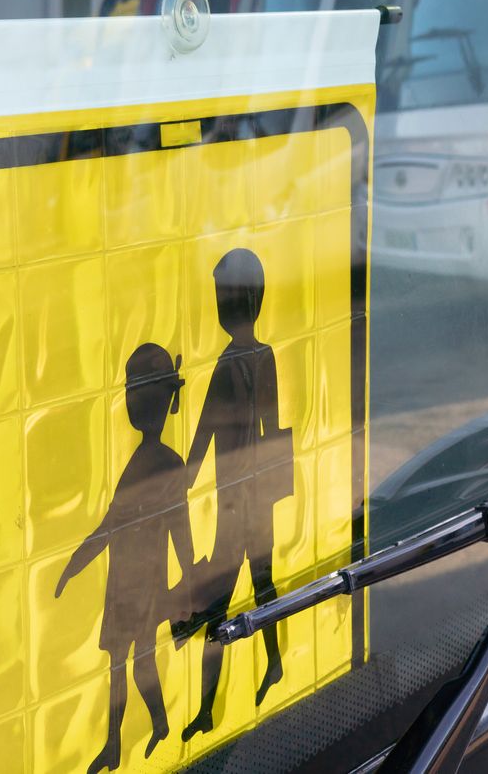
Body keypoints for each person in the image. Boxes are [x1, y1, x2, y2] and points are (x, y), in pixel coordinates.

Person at [55, 344, 192, 774]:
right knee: (119, 665)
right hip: (122, 585)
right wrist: (73, 565)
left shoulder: (168, 463)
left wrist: (187, 587)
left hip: (147, 584)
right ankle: (116, 743)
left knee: (139, 664)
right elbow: (108, 527)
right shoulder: (137, 463)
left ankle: (158, 721)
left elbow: (180, 531)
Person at [178, 247, 295, 741]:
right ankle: (272, 663)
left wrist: (180, 478)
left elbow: (206, 428)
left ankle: (208, 707)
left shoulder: (228, 363)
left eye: (221, 298)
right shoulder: (264, 356)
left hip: (234, 502)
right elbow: (268, 423)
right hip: (258, 496)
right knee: (262, 585)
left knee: (219, 608)